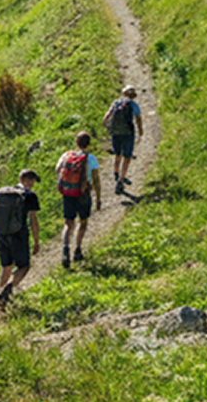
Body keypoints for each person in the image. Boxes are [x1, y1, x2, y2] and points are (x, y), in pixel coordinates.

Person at [0, 168, 42, 310]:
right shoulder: (30, 196)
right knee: (24, 266)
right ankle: (7, 289)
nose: (32, 184)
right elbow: (33, 220)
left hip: (0, 233)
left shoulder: (3, 193)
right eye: (31, 180)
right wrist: (36, 241)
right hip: (19, 234)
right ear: (25, 180)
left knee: (6, 266)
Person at [56, 131, 102, 269]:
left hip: (68, 193)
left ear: (76, 142)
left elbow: (57, 169)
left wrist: (67, 182)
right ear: (89, 143)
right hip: (83, 193)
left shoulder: (66, 155)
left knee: (68, 223)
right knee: (83, 222)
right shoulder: (91, 158)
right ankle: (77, 250)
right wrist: (98, 198)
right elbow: (96, 180)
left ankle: (65, 249)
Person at [103, 84, 143, 193]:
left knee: (117, 153)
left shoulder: (116, 102)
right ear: (133, 95)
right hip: (128, 133)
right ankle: (121, 178)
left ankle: (116, 171)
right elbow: (138, 119)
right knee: (127, 156)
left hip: (116, 132)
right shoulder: (134, 105)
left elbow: (106, 117)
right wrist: (140, 132)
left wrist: (107, 126)